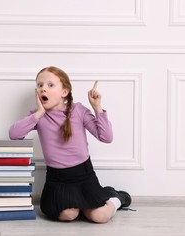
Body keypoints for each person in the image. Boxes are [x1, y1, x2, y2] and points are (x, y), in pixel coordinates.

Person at [9, 66, 131, 223]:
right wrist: (39, 113)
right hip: (57, 180)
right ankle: (81, 205)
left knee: (99, 217)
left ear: (64, 92)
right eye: (39, 85)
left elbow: (106, 137)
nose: (43, 89)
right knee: (68, 215)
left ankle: (116, 198)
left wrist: (97, 107)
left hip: (84, 176)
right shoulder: (37, 116)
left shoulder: (78, 110)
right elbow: (14, 135)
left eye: (50, 85)